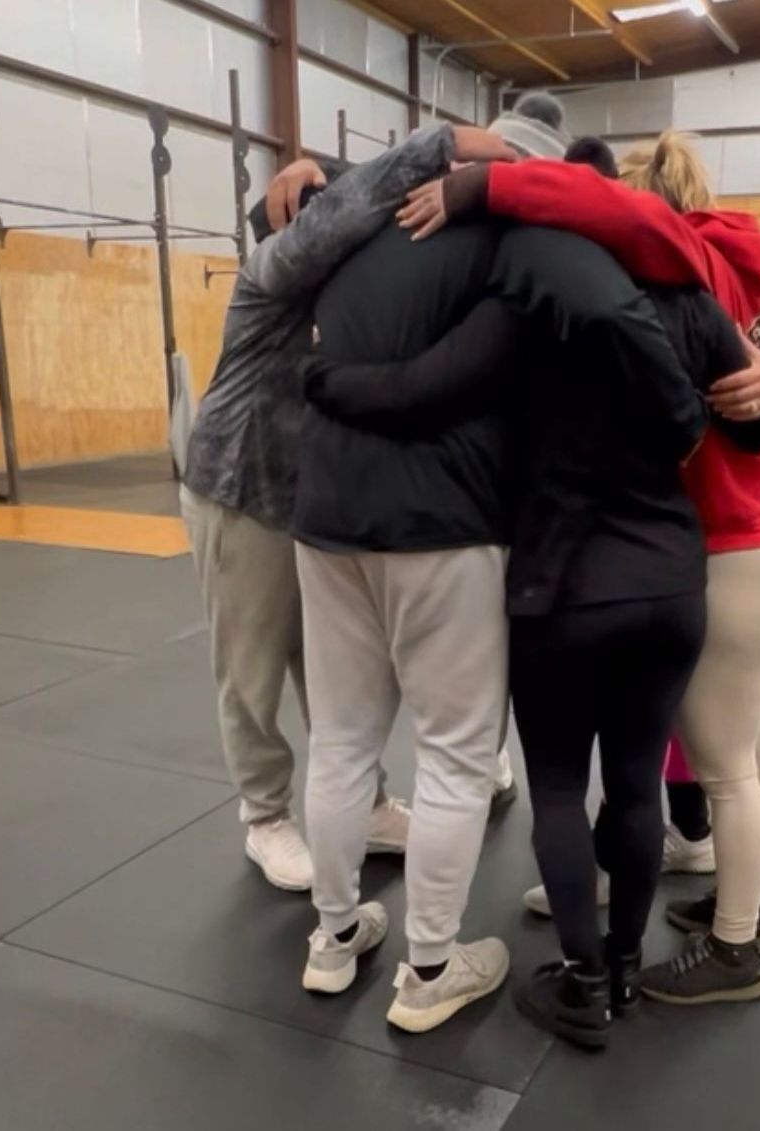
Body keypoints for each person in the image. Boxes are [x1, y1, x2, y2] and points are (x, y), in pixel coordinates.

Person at [291, 117, 723, 1037]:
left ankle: (334, 941)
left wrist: (323, 381)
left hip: (324, 515)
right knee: (455, 752)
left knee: (340, 738)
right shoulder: (520, 242)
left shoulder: (360, 223)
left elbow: (284, 239)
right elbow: (456, 375)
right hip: (441, 521)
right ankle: (430, 970)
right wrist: (686, 416)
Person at [398, 130, 760, 1004]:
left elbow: (588, 201)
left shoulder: (676, 273)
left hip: (731, 554)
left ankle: (734, 947)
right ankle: (744, 908)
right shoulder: (740, 277)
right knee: (754, 753)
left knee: (727, 772)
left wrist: (476, 183)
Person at [180, 123, 515, 894]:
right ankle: (263, 815)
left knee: (327, 677)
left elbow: (351, 204)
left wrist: (318, 165)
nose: (332, 210)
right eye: (314, 202)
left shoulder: (338, 276)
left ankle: (360, 805)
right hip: (239, 494)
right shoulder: (271, 269)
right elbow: (349, 209)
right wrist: (443, 146)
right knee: (251, 667)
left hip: (311, 502)